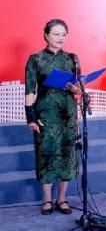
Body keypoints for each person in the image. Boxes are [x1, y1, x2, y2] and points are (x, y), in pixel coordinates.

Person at [24, 19, 82, 214]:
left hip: (68, 114)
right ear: (46, 35)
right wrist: (31, 117)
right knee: (46, 155)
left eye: (64, 34)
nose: (60, 38)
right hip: (45, 115)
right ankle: (47, 199)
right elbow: (30, 90)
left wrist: (77, 90)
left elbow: (79, 87)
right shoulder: (36, 59)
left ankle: (62, 198)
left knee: (67, 155)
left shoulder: (72, 59)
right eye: (56, 34)